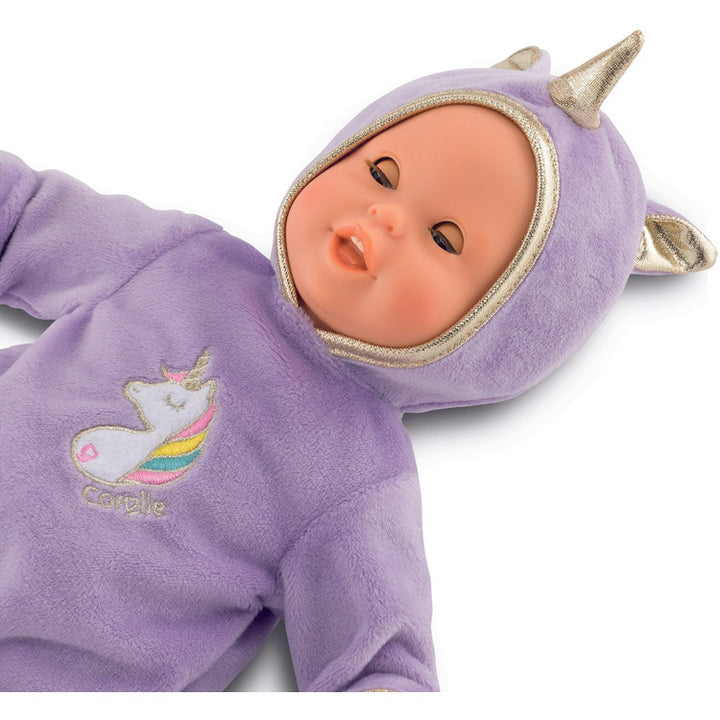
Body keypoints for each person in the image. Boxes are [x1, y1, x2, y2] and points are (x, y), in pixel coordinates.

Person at [0, 32, 714, 691]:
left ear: (501, 328)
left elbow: (375, 657)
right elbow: (27, 215)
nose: (385, 216)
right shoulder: (185, 260)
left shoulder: (357, 474)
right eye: (381, 171)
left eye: (444, 237)